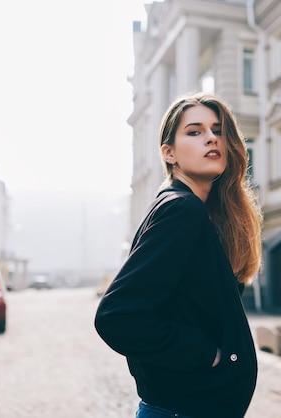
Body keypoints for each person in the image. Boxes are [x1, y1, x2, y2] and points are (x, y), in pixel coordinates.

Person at [94, 92, 263, 418]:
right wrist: (206, 355)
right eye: (195, 131)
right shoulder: (180, 210)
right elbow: (118, 316)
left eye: (217, 130)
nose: (211, 138)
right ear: (168, 153)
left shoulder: (200, 214)